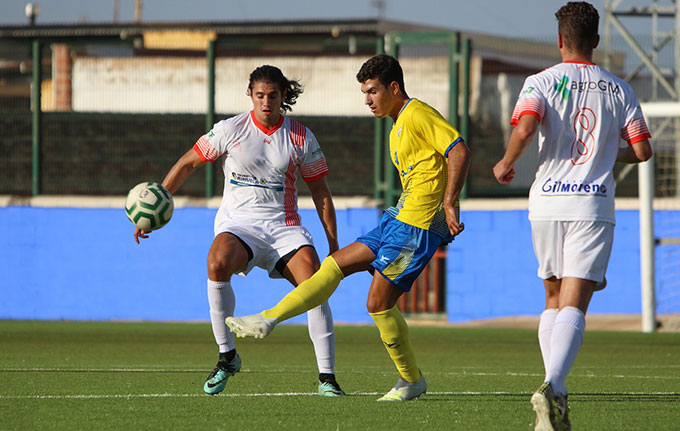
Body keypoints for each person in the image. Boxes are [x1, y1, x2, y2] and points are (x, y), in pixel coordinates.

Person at [226, 54, 471, 401]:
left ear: (394, 87)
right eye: (364, 93)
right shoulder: (397, 123)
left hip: (418, 226)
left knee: (378, 303)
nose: (367, 100)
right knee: (334, 264)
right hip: (398, 219)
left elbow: (458, 150)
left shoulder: (417, 113)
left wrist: (448, 203)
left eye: (372, 91)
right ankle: (268, 318)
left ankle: (411, 379)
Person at [133, 65, 345, 397]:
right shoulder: (230, 129)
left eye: (272, 95)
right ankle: (227, 356)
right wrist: (158, 201)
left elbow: (321, 193)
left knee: (316, 285)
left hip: (284, 228)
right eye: (259, 95)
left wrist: (334, 245)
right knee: (217, 262)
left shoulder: (301, 137)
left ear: (283, 96)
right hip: (240, 225)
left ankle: (327, 378)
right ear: (250, 95)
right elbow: (189, 162)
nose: (265, 102)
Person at [492, 2, 653, 430]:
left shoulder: (540, 81)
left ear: (560, 40)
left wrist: (506, 162)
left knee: (551, 297)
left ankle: (554, 398)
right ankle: (553, 386)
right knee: (576, 303)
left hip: (545, 202)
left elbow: (525, 128)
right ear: (596, 41)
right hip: (592, 204)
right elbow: (641, 150)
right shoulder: (620, 90)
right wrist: (606, 151)